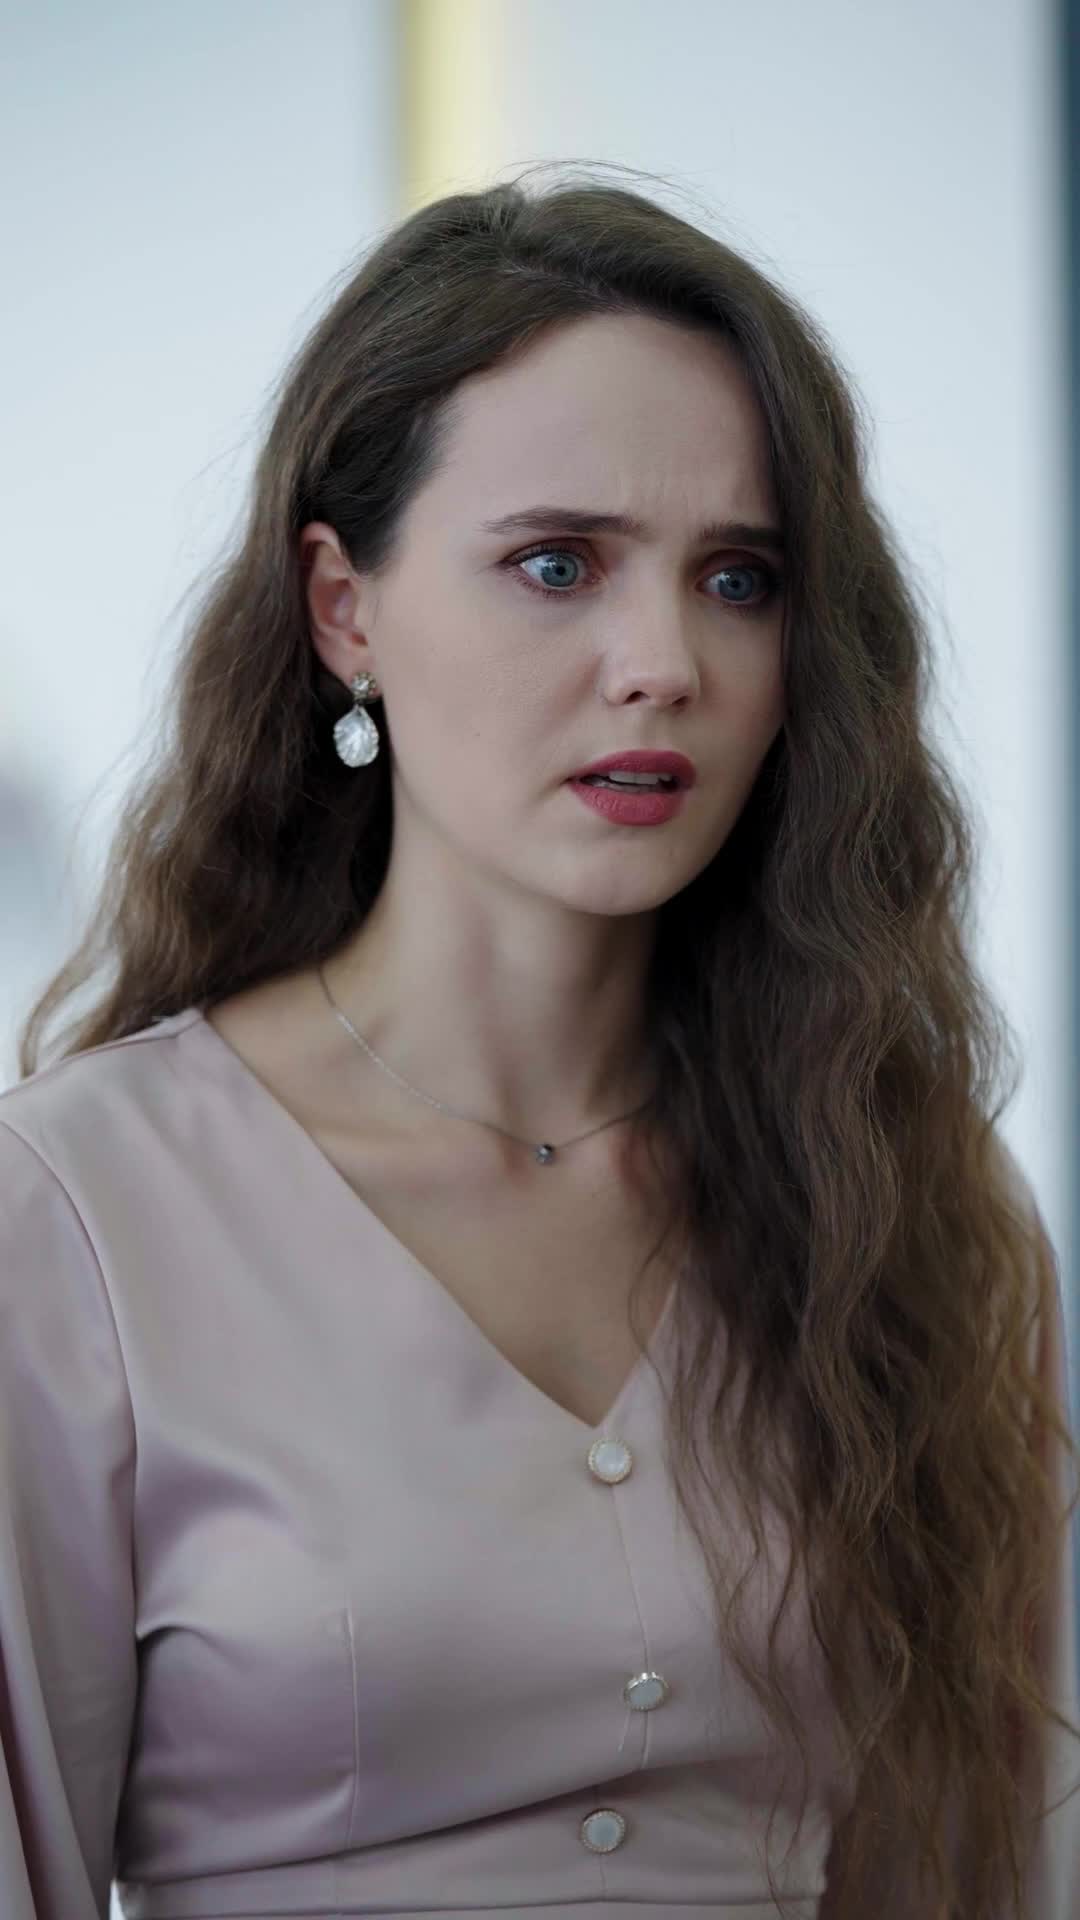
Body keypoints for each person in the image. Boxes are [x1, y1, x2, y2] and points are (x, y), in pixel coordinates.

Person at [1, 162, 1077, 1920]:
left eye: (739, 579)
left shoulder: (915, 1200)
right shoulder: (75, 1218)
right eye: (557, 565)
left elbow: (997, 1856)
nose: (663, 662)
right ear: (344, 609)